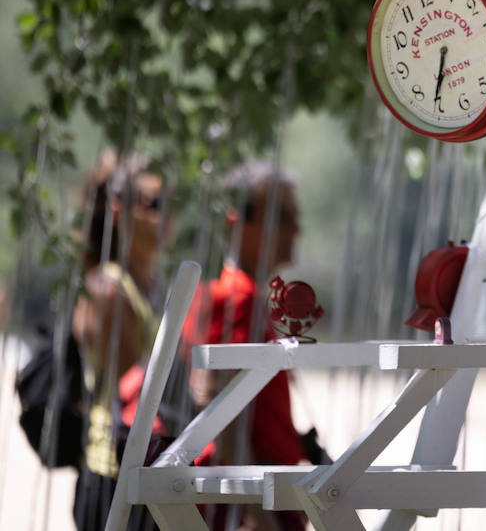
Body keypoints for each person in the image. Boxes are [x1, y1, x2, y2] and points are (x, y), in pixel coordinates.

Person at [183, 160, 309, 531]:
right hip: (250, 501)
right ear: (239, 221)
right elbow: (220, 404)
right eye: (283, 216)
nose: (296, 229)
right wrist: (254, 508)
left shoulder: (245, 295)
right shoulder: (237, 297)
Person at [69, 151, 172, 531]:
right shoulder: (107, 290)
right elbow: (136, 392)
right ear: (118, 210)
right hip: (113, 473)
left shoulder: (152, 288)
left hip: (147, 467)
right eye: (155, 204)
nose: (168, 216)